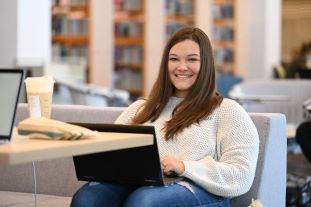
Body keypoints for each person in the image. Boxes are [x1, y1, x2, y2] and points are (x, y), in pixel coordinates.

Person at [71, 26, 259, 207]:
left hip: (199, 190)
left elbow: (241, 174)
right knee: (88, 198)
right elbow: (110, 153)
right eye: (174, 59)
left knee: (144, 201)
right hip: (141, 184)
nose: (182, 67)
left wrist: (184, 167)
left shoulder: (227, 110)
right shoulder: (141, 108)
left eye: (192, 60)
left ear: (206, 64)